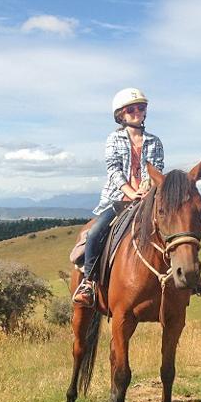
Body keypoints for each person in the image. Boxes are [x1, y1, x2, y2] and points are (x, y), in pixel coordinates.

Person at [71, 88, 165, 307]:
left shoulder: (155, 141)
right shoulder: (113, 139)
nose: (136, 112)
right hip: (118, 200)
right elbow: (113, 169)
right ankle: (89, 283)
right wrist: (131, 192)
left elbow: (157, 169)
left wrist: (147, 189)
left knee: (175, 229)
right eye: (130, 109)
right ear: (121, 115)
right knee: (95, 232)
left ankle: (187, 279)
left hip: (148, 199)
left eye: (141, 108)